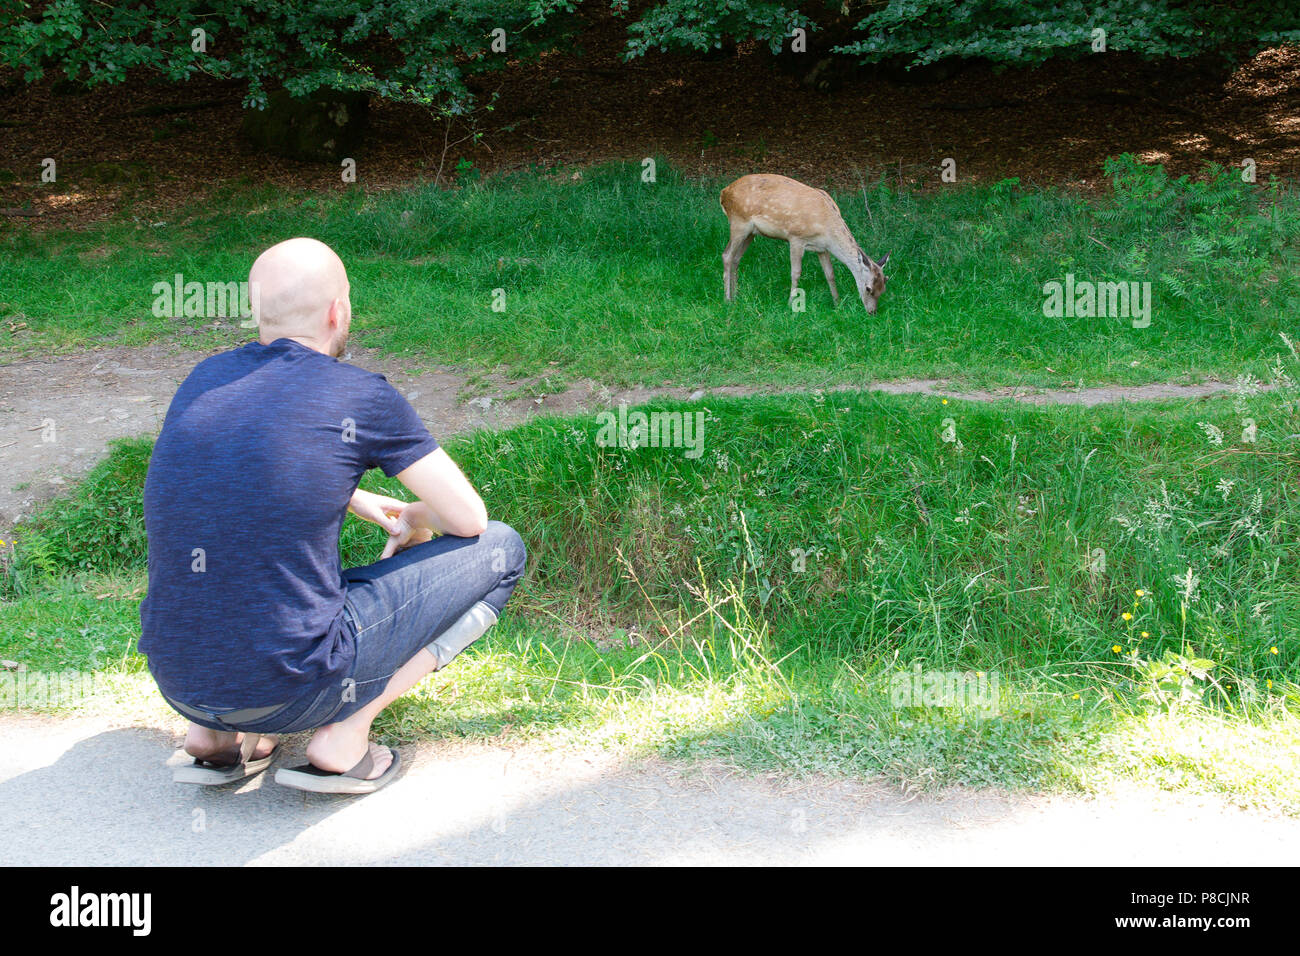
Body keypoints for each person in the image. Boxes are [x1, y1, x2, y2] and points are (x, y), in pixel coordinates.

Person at [138, 237, 526, 794]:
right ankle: (346, 734)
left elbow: (241, 469)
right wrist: (416, 515)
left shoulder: (204, 379)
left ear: (259, 314)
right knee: (503, 548)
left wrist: (354, 497)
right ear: (337, 311)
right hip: (294, 691)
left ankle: (212, 735)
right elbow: (468, 520)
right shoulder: (359, 393)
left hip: (176, 680)